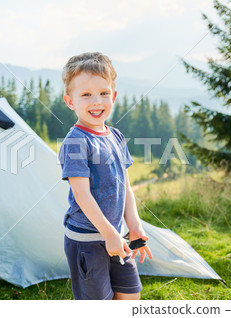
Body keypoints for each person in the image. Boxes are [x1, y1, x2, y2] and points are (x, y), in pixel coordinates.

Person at [58, 52, 152, 300]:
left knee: (130, 296)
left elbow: (126, 188)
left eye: (103, 93)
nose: (97, 101)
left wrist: (134, 225)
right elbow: (81, 194)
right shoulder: (76, 141)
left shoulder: (116, 136)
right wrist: (108, 234)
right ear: (70, 101)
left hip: (118, 237)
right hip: (87, 242)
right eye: (86, 95)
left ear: (114, 95)